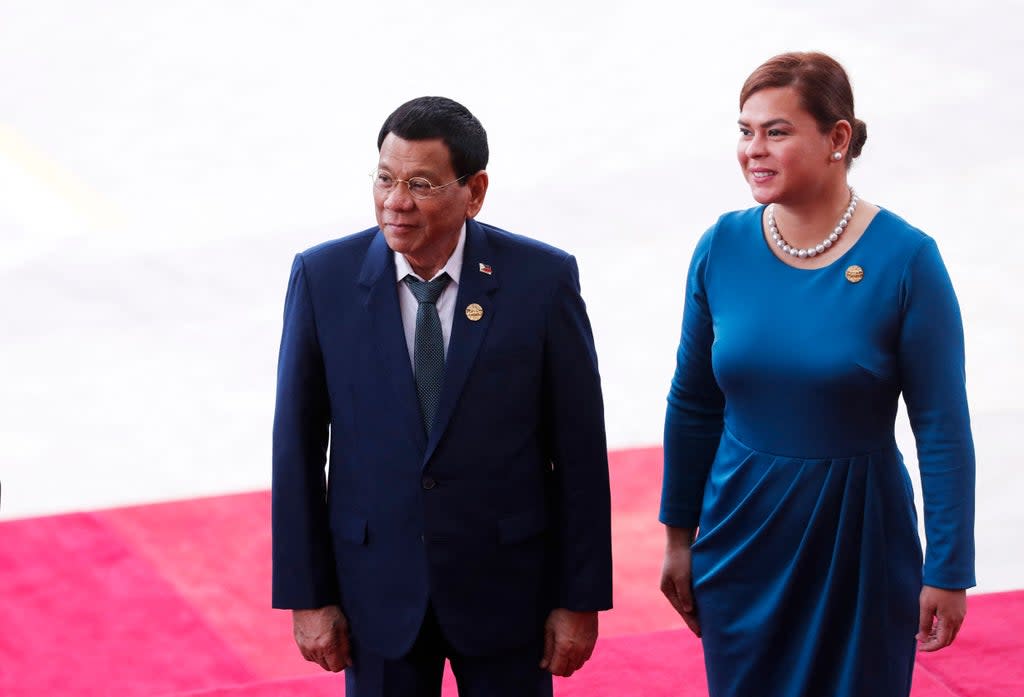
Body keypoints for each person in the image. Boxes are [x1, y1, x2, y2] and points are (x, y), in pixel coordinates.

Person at [271, 96, 612, 697]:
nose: (395, 201)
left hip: (509, 595)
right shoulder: (323, 279)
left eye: (421, 184)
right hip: (374, 596)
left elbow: (579, 451)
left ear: (474, 192)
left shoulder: (541, 281)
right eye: (384, 178)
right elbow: (296, 446)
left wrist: (578, 598)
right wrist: (307, 595)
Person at [659, 52, 976, 697]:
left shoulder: (908, 259)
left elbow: (941, 427)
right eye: (745, 131)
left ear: (837, 139)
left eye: (776, 131)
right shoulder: (721, 245)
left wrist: (948, 567)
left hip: (858, 538)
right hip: (740, 532)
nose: (754, 149)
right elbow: (692, 403)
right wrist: (677, 536)